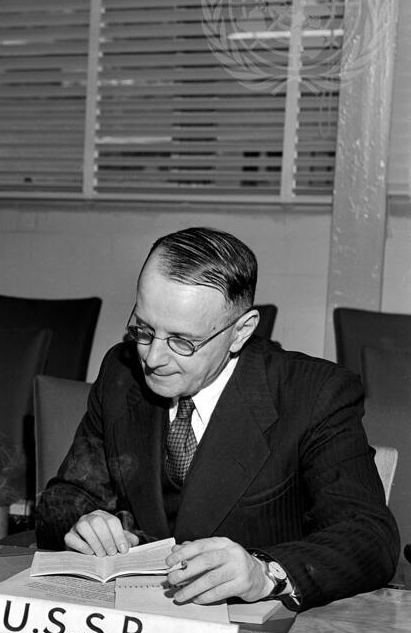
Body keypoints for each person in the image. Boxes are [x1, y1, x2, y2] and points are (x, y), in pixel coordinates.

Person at [36, 227, 399, 610]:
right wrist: (85, 521)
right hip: (138, 615)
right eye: (143, 329)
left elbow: (369, 538)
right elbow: (66, 496)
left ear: (240, 332)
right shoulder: (121, 372)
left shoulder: (313, 394)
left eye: (182, 341)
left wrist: (266, 573)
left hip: (254, 628)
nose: (153, 358)